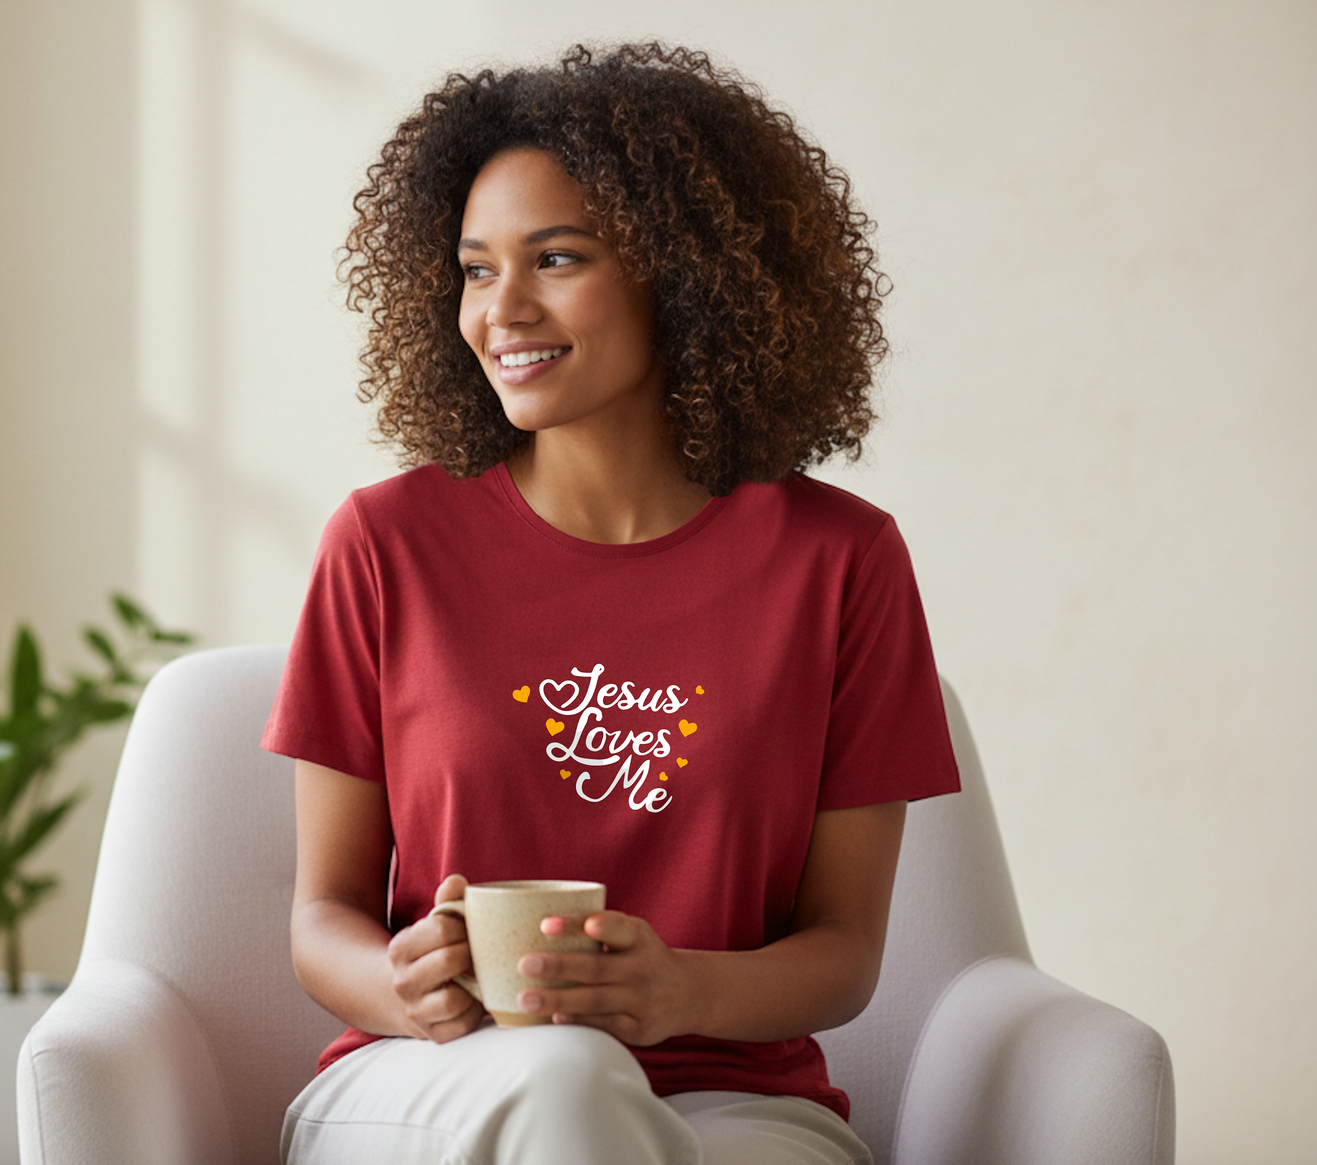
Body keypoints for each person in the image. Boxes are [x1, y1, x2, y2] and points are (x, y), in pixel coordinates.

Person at [262, 42, 960, 1165]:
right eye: (476, 269)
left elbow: (844, 951)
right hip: (430, 1084)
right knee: (566, 1076)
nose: (504, 309)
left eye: (558, 257)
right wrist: (402, 985)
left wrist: (680, 987)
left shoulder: (842, 562)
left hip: (736, 1101)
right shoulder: (385, 545)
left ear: (685, 276)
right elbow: (321, 920)